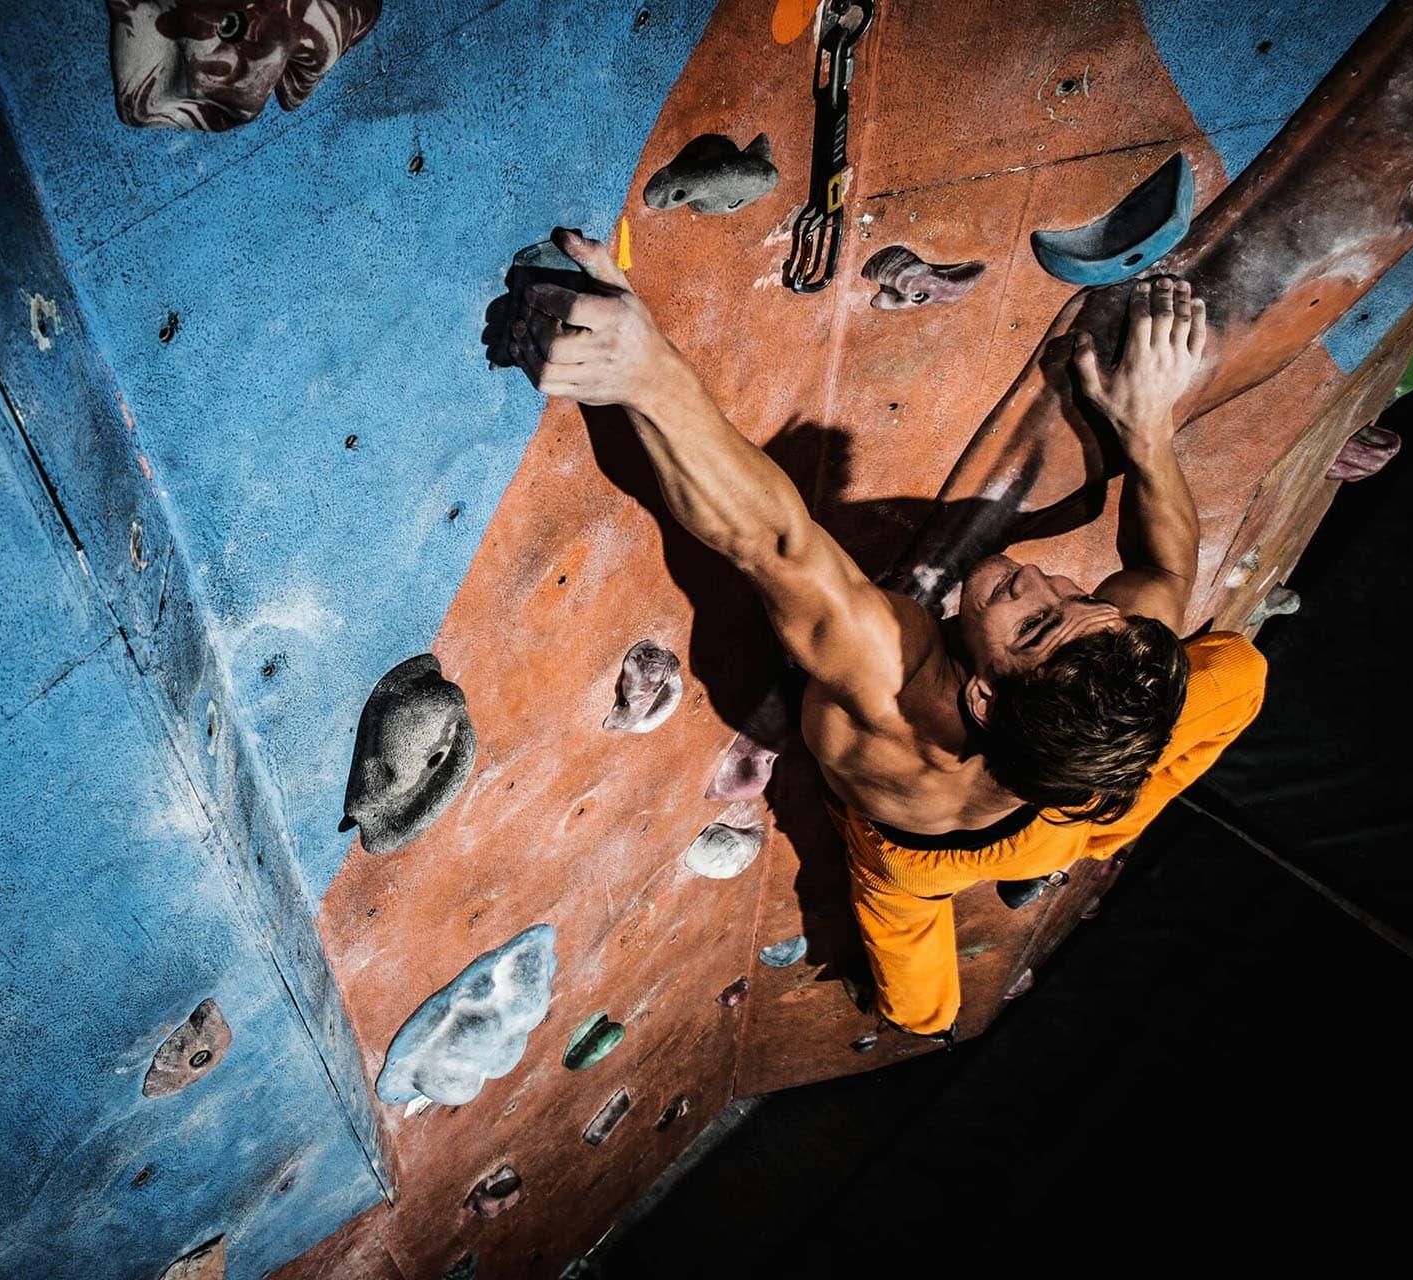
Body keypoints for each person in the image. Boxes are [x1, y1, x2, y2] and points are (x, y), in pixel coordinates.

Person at [506, 229, 1266, 1041]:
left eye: (1032, 621)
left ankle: (927, 1022)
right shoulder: (1114, 664)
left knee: (920, 992)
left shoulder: (890, 678)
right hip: (1060, 818)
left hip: (912, 858)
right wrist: (1149, 425)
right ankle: (1097, 832)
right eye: (1074, 598)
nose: (1038, 578)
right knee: (1243, 673)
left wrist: (649, 377)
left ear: (981, 693)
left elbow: (773, 543)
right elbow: (1167, 569)